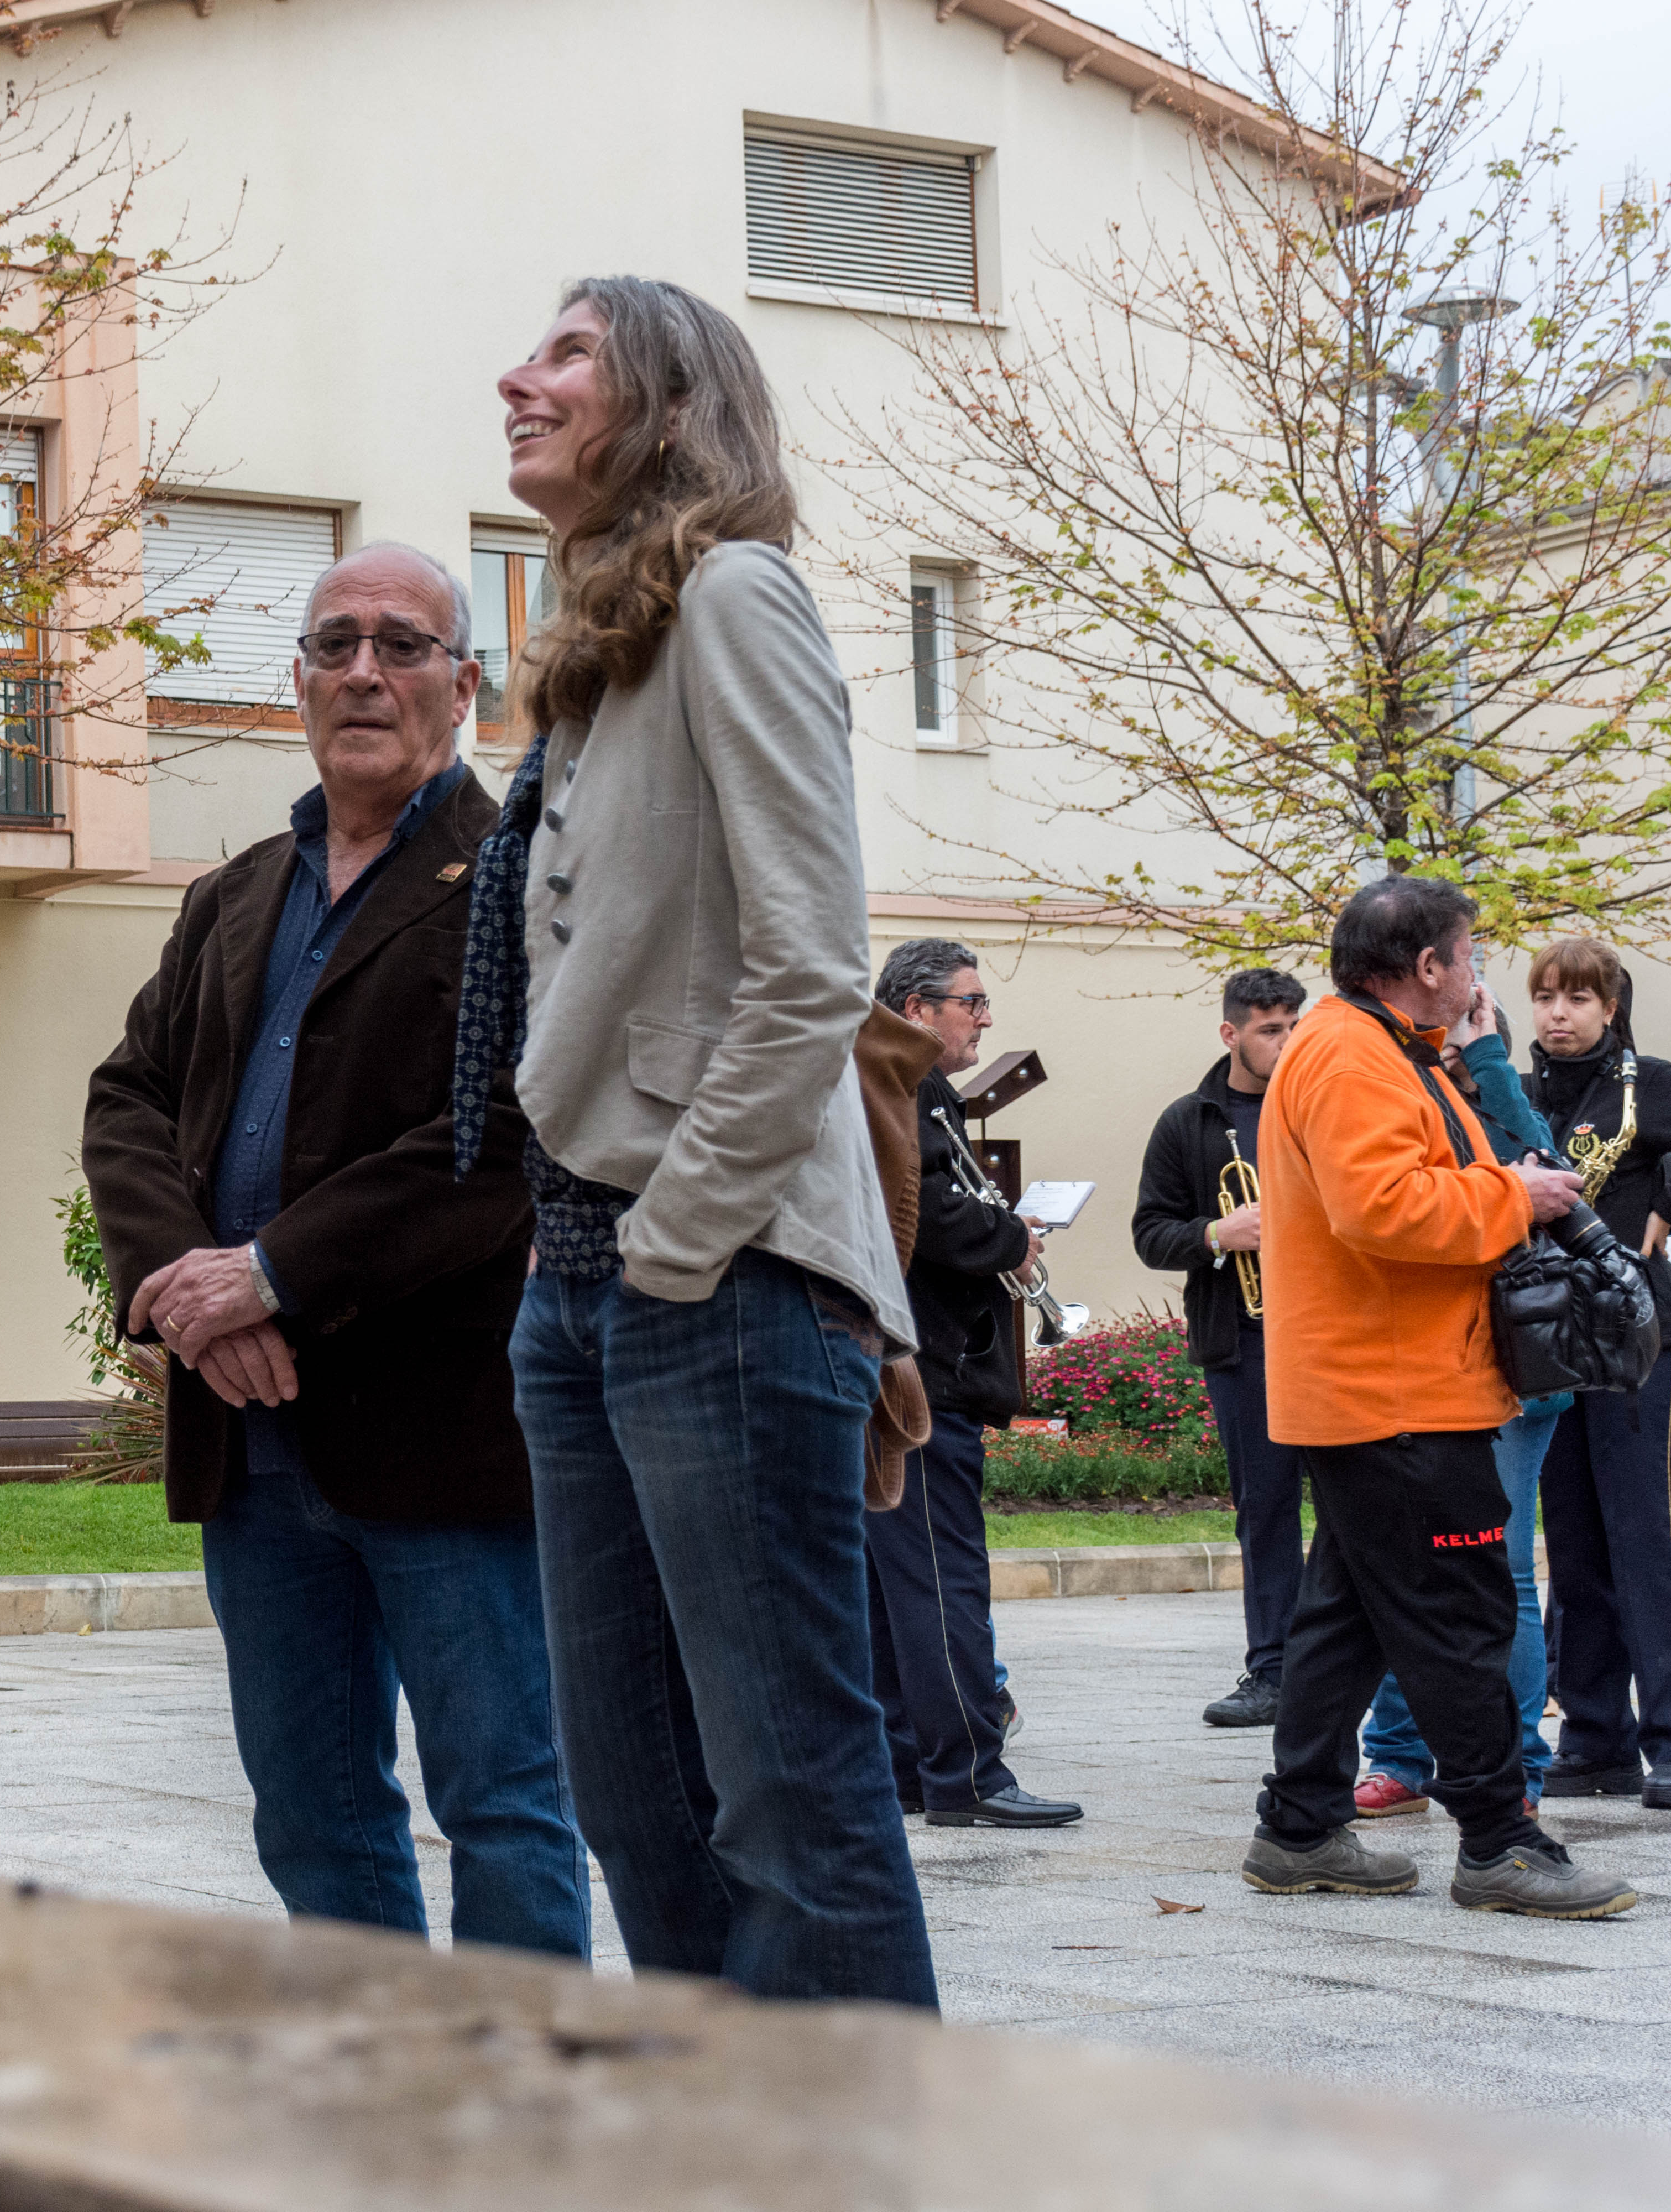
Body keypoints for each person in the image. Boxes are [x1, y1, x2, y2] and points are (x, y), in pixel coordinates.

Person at [457, 276, 935, 2005]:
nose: (519, 373)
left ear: (669, 406)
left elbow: (811, 962)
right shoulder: (600, 653)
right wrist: (571, 1243)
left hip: (713, 1283)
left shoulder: (737, 597)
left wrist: (675, 1238)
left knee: (793, 1801)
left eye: (566, 350)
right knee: (636, 1803)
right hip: (581, 1287)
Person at [84, 544, 589, 1959]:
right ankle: (383, 2104)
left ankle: (514, 2111)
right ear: (297, 680)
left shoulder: (520, 876)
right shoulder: (236, 892)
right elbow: (127, 1095)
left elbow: (505, 1127)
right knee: (309, 1810)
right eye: (336, 644)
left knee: (503, 1798)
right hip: (252, 1432)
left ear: (465, 681)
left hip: (442, 1431)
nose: (366, 671)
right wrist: (184, 1288)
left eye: (405, 644)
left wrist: (275, 1271)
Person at [1240, 877, 1633, 1917]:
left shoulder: (1376, 1049)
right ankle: (1501, 1843)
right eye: (1468, 955)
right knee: (1461, 1617)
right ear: (1425, 968)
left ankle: (1300, 1827)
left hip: (1383, 1384)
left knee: (1349, 1616)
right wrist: (1520, 1195)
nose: (1476, 974)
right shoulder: (1353, 1056)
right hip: (1400, 1391)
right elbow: (1383, 1208)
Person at [866, 940, 1082, 1828]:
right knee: (941, 1582)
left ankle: (913, 1770)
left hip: (910, 1367)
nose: (985, 1019)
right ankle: (969, 1777)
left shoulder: (902, 1081)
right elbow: (918, 1207)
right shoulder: (900, 1082)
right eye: (971, 1002)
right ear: (918, 1010)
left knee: (894, 1590)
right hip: (922, 1381)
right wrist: (1009, 1239)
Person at [1349, 982, 1567, 1815]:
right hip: (1426, 1370)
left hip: (1511, 1376)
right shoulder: (1408, 1106)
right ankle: (1401, 1757)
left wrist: (1486, 1056)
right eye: (1436, 1053)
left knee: (1501, 1573)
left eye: (1461, 1055)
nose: (1445, 1064)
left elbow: (1541, 1162)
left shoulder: (1503, 1111)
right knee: (1414, 1565)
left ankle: (1520, 1769)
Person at [1522, 936, 1671, 1810]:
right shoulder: (1522, 1095)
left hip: (1641, 1345)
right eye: (1546, 997)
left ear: (1611, 1008)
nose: (1559, 1014)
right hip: (1551, 1347)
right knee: (1573, 1549)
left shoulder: (1648, 1085)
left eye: (1578, 999)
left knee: (1653, 1543)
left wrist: (1667, 1206)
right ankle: (1598, 1738)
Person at [1130, 968, 1308, 1729]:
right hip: (1247, 1338)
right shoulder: (1190, 1122)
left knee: (1350, 1509)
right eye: (1271, 1030)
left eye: (1295, 1025)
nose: (1287, 1042)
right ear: (1231, 1034)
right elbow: (1150, 1233)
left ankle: (1345, 1668)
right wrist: (1215, 1234)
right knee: (1265, 1510)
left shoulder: (1325, 1104)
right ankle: (1272, 1672)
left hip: (1332, 1335)